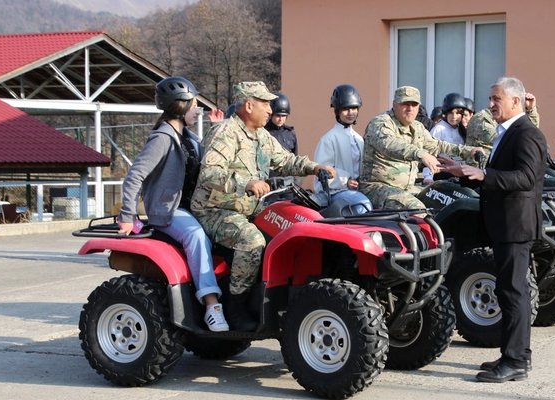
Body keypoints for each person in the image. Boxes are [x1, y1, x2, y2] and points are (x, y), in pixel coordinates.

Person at [190, 81, 336, 331]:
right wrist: (246, 183)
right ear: (249, 106)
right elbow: (210, 174)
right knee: (252, 240)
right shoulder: (226, 132)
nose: (270, 109)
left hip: (249, 207)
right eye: (265, 104)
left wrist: (315, 167)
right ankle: (236, 306)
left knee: (289, 225)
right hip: (216, 209)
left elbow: (285, 160)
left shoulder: (261, 135)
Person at [443, 77, 546, 382]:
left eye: (496, 99)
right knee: (508, 289)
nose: (490, 105)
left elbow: (525, 177)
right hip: (504, 225)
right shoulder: (507, 132)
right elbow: (496, 175)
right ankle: (514, 354)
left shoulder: (526, 133)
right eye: (490, 99)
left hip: (516, 226)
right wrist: (463, 173)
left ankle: (516, 360)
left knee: (513, 292)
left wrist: (485, 174)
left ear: (515, 101)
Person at [118, 76, 228, 332]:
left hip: (193, 207)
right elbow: (135, 175)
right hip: (170, 210)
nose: (197, 110)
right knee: (195, 236)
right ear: (180, 106)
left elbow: (209, 162)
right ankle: (212, 305)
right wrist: (126, 215)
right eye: (194, 105)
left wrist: (216, 129)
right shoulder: (163, 138)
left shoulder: (188, 137)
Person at [359, 85, 482, 210]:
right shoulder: (381, 123)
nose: (410, 109)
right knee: (416, 209)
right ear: (394, 104)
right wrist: (421, 155)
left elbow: (437, 145)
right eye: (405, 104)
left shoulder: (417, 127)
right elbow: (389, 144)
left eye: (414, 105)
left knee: (448, 197)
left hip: (408, 188)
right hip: (377, 187)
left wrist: (468, 151)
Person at [313, 84, 373, 214]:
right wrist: (346, 181)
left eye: (354, 108)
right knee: (363, 205)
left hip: (357, 191)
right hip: (335, 192)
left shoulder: (359, 138)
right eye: (346, 109)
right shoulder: (329, 139)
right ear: (337, 111)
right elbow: (322, 172)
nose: (351, 113)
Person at [467, 92, 540, 161]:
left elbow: (529, 134)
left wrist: (531, 110)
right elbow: (504, 139)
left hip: (500, 166)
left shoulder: (509, 119)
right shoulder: (482, 118)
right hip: (481, 167)